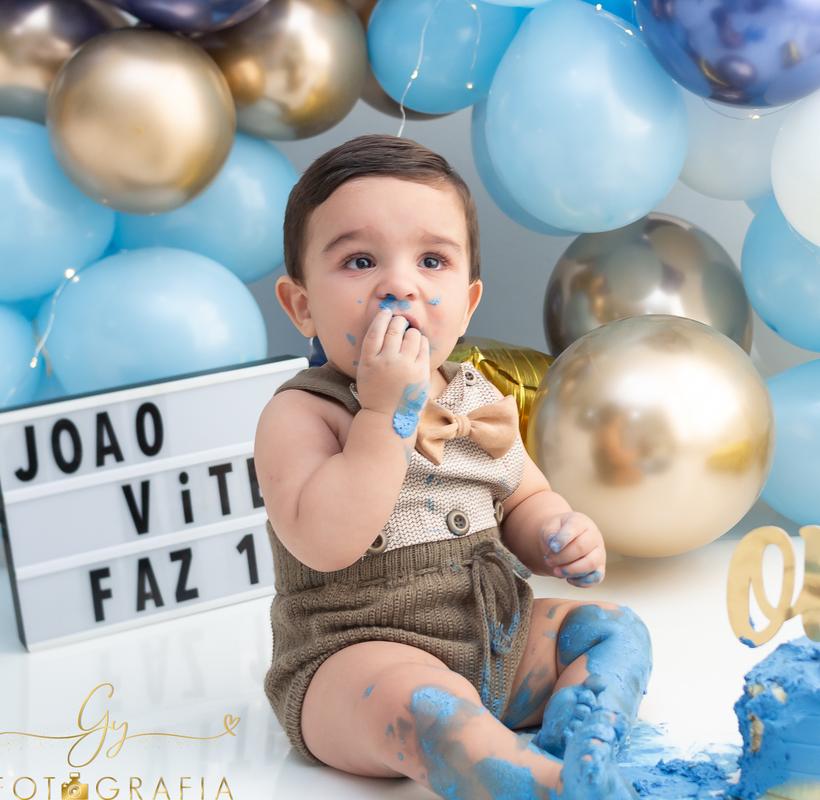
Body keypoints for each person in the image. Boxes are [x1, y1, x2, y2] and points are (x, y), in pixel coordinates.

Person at [254, 134, 651, 799]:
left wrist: (558, 531)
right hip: (356, 657)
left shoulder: (477, 399)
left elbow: (525, 498)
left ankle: (582, 737)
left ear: (466, 305)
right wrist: (385, 417)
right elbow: (326, 542)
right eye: (359, 260)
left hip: (499, 638)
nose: (399, 285)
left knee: (614, 629)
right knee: (424, 708)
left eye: (431, 259)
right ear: (301, 306)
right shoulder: (302, 415)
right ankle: (526, 781)